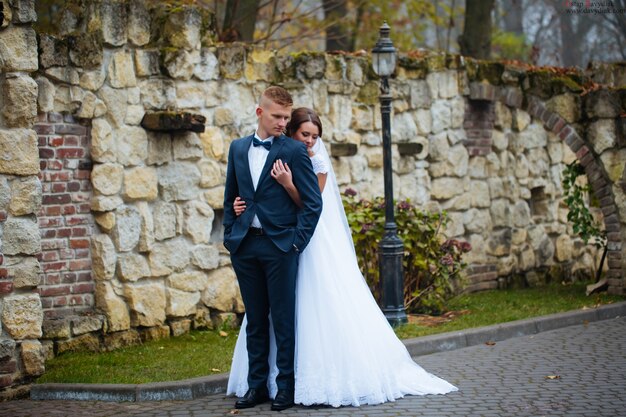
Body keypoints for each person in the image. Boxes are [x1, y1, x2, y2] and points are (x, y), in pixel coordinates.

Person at [227, 108, 458, 408]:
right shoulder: (272, 151)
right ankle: (263, 381)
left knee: (309, 307)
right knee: (266, 315)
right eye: (304, 134)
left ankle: (307, 379)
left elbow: (310, 203)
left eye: (314, 136)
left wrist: (287, 183)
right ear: (292, 132)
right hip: (270, 241)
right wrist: (238, 209)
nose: (310, 141)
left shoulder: (316, 162)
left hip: (305, 239)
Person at [223, 88, 323, 411]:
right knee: (254, 320)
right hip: (246, 247)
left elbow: (313, 204)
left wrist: (296, 242)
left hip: (281, 247)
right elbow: (230, 198)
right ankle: (256, 387)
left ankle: (285, 388)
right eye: (277, 116)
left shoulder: (294, 151)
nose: (283, 122)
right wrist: (230, 234)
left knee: (282, 319)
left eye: (285, 116)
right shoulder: (238, 148)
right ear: (259, 113)